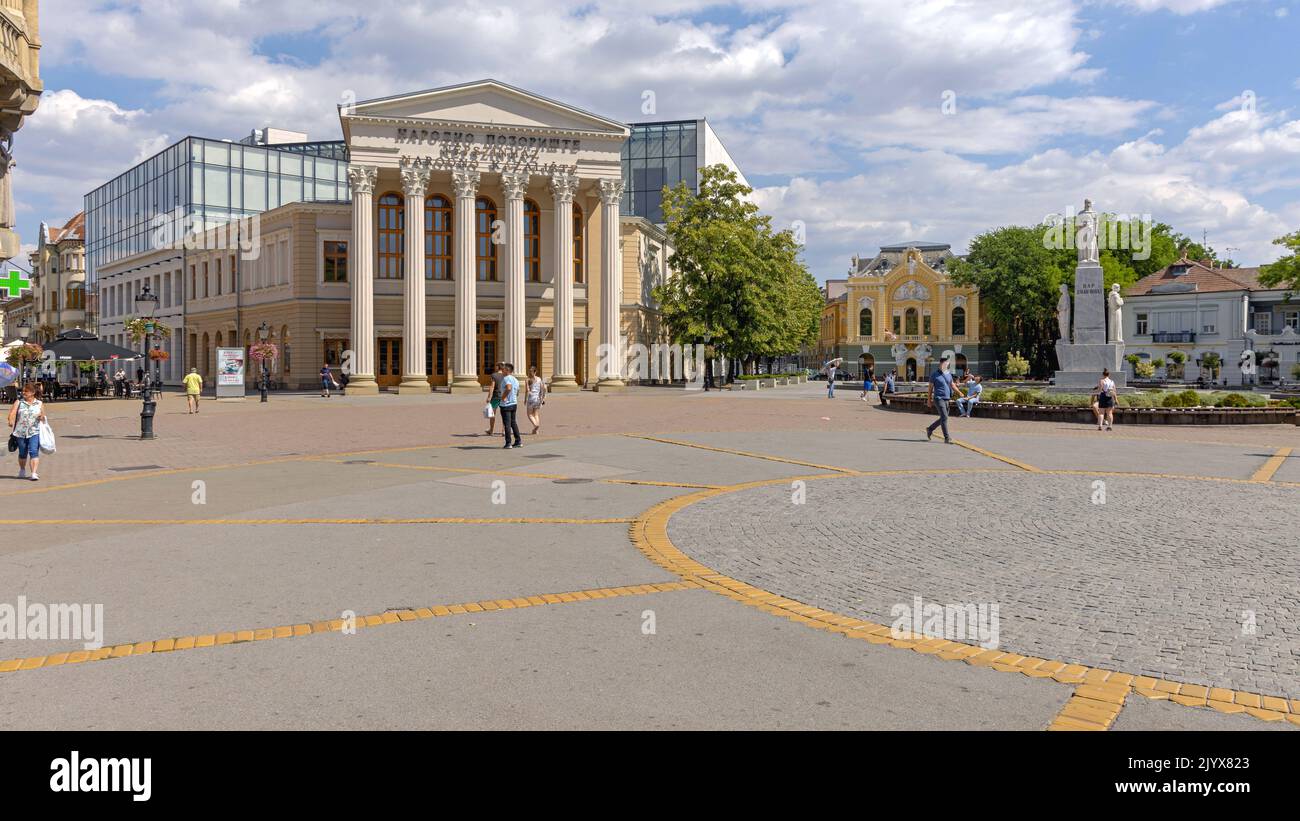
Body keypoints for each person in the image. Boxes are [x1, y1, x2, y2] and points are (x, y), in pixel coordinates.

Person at [8, 381, 47, 481]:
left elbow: (43, 417)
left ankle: (34, 473)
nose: (23, 392)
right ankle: (22, 470)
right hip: (20, 432)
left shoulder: (39, 403)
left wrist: (41, 417)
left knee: (34, 451)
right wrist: (11, 421)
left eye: (26, 391)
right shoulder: (19, 402)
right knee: (22, 452)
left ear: (33, 392)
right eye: (23, 391)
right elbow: (12, 413)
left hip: (34, 431)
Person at [925, 355, 962, 444]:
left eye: (948, 363)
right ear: (941, 363)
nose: (947, 365)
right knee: (944, 417)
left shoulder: (948, 374)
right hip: (938, 398)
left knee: (943, 418)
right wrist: (929, 400)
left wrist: (959, 392)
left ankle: (930, 429)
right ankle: (947, 437)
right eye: (945, 363)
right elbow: (930, 388)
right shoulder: (934, 374)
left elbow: (952, 384)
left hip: (947, 398)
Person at [498, 363, 522, 449]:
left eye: (503, 369)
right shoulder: (515, 379)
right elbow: (518, 392)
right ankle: (518, 441)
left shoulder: (506, 378)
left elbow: (508, 387)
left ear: (507, 370)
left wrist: (504, 397)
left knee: (507, 424)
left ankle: (508, 443)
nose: (502, 370)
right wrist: (513, 397)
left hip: (506, 404)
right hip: (514, 403)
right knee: (513, 422)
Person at [485, 362, 505, 435]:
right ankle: (504, 431)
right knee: (504, 414)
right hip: (504, 396)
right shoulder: (505, 375)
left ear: (498, 367)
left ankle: (491, 430)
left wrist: (489, 397)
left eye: (496, 366)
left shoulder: (494, 375)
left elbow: (492, 386)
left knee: (492, 413)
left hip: (495, 396)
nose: (495, 367)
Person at [525, 365, 546, 434]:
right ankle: (536, 430)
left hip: (531, 398)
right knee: (536, 414)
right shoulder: (539, 379)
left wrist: (525, 399)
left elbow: (527, 391)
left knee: (530, 414)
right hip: (538, 399)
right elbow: (543, 389)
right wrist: (542, 398)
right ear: (535, 372)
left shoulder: (527, 379)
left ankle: (536, 425)